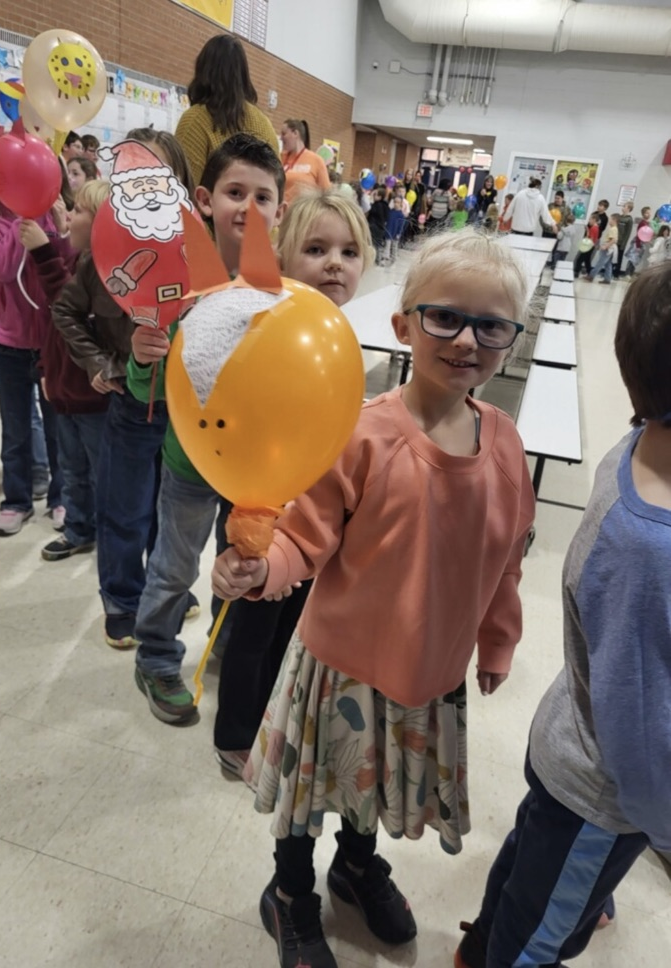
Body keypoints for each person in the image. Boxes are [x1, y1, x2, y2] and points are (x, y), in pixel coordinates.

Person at [212, 228, 536, 968]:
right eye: (443, 317)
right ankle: (290, 891)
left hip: (429, 670)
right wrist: (258, 570)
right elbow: (305, 536)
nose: (465, 341)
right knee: (312, 795)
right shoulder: (361, 434)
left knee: (375, 786)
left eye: (491, 326)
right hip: (340, 669)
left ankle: (356, 864)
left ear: (510, 341)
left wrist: (500, 635)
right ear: (402, 326)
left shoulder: (507, 443)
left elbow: (505, 554)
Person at [454, 263, 671, 968]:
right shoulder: (652, 548)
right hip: (606, 789)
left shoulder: (639, 441)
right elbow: (639, 729)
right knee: (538, 934)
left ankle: (486, 940)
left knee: (529, 865)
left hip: (570, 743)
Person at [213, 188, 373, 776]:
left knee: (291, 623)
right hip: (264, 505)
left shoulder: (339, 336)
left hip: (317, 517)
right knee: (253, 629)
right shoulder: (267, 326)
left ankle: (268, 723)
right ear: (282, 257)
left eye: (349, 251)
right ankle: (234, 732)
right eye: (316, 248)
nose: (336, 262)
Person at [128, 133, 286, 723]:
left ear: (281, 208)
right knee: (173, 565)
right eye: (234, 192)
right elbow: (148, 393)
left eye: (263, 196)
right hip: (190, 464)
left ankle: (224, 640)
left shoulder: (284, 295)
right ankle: (156, 657)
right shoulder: (176, 291)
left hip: (256, 470)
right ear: (204, 199)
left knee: (238, 558)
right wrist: (143, 359)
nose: (248, 207)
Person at [55, 126, 194, 648]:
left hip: (185, 412)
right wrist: (101, 361)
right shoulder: (102, 258)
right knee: (124, 509)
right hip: (131, 405)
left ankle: (166, 589)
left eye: (159, 175)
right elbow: (65, 310)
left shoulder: (198, 256)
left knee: (173, 509)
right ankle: (121, 599)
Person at [0, 149, 68, 536]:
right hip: (9, 344)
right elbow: (0, 268)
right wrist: (20, 224)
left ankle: (62, 496)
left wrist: (56, 231)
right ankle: (16, 500)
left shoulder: (53, 214)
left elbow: (66, 270)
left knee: (58, 428)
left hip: (49, 342)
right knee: (15, 430)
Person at [22, 180, 114, 561]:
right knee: (71, 469)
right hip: (64, 393)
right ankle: (79, 528)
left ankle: (110, 540)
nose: (68, 217)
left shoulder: (108, 275)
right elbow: (55, 326)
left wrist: (44, 255)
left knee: (100, 474)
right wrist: (46, 368)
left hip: (92, 398)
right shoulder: (77, 261)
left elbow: (72, 310)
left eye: (77, 211)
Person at [175, 33, 279, 188]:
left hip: (210, 211)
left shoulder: (195, 120)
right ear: (243, 74)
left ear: (203, 70)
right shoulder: (264, 124)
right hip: (257, 211)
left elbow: (183, 190)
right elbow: (276, 183)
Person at [280, 119, 331, 203]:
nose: (281, 138)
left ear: (295, 133)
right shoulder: (280, 157)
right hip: (281, 213)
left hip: (303, 213)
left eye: (284, 134)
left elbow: (327, 194)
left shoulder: (316, 160)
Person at [588, 212, 619, 284]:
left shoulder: (613, 229)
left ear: (614, 220)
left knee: (600, 262)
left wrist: (606, 246)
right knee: (608, 264)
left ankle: (591, 276)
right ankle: (607, 279)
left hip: (608, 248)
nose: (609, 221)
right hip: (610, 248)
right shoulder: (615, 229)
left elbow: (613, 240)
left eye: (611, 219)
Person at [625, 205, 652, 277]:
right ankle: (627, 274)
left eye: (649, 213)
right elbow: (639, 234)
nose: (649, 214)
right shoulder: (642, 223)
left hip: (642, 243)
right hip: (638, 243)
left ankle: (631, 273)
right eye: (647, 213)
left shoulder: (647, 223)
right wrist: (637, 245)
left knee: (637, 259)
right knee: (632, 258)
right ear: (643, 214)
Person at [366, 186, 389, 264]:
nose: (374, 196)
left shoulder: (377, 205)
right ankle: (377, 259)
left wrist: (371, 202)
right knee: (377, 244)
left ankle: (376, 259)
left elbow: (373, 212)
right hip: (380, 227)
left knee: (374, 244)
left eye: (376, 194)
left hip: (375, 226)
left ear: (380, 196)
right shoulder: (385, 205)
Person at [574, 212, 600, 278]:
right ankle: (589, 274)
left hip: (588, 246)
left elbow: (590, 238)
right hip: (591, 246)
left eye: (590, 219)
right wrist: (588, 230)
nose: (589, 221)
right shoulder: (596, 228)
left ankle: (576, 272)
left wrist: (586, 240)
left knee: (579, 259)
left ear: (594, 220)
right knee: (587, 261)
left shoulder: (593, 228)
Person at [614, 201, 634, 277]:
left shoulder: (629, 220)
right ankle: (609, 272)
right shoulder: (619, 217)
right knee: (612, 257)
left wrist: (623, 244)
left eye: (624, 206)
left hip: (621, 242)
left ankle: (616, 274)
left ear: (628, 208)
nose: (623, 207)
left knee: (619, 258)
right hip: (615, 240)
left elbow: (627, 234)